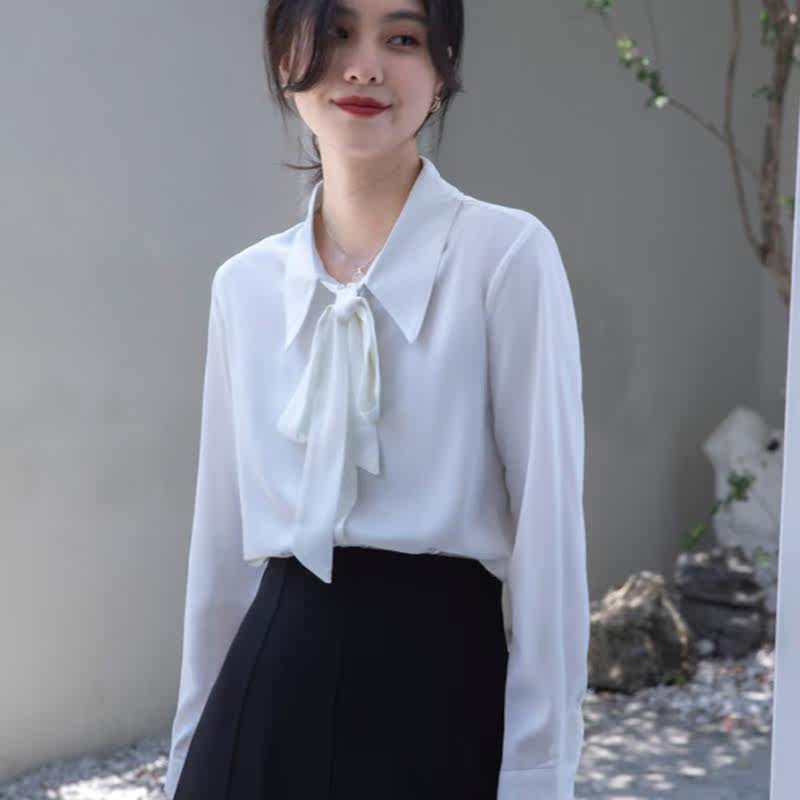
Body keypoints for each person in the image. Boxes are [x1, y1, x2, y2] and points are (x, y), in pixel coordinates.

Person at [164, 0, 591, 798]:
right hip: (261, 704)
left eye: (402, 38)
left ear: (443, 69)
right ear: (285, 57)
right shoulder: (244, 287)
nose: (363, 66)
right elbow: (219, 553)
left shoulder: (506, 258)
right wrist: (188, 756)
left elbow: (550, 537)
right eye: (335, 33)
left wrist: (538, 775)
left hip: (441, 697)